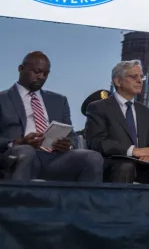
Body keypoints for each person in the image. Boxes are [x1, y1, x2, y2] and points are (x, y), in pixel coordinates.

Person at [0, 51, 103, 182]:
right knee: (26, 151)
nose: (41, 77)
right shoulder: (3, 99)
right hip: (19, 155)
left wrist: (68, 144)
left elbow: (72, 135)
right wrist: (18, 142)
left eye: (45, 74)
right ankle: (17, 201)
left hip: (54, 157)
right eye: (37, 72)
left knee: (92, 158)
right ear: (21, 69)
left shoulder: (59, 101)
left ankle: (84, 202)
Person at [84, 60, 149, 184]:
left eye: (141, 77)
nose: (140, 80)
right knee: (126, 167)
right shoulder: (98, 107)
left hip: (142, 165)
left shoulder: (145, 111)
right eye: (134, 76)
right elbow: (97, 142)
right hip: (113, 164)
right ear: (118, 81)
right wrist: (133, 151)